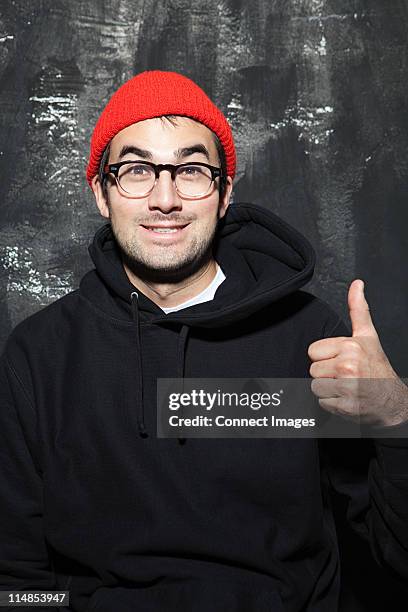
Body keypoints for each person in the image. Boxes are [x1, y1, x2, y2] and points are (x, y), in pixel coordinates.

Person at [0, 70, 407, 612]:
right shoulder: (39, 357)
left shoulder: (309, 341)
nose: (165, 199)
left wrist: (399, 422)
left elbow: (395, 558)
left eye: (191, 170)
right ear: (99, 191)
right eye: (137, 171)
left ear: (224, 193)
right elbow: (16, 587)